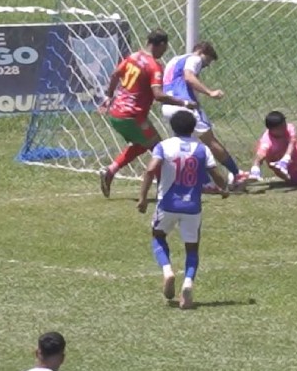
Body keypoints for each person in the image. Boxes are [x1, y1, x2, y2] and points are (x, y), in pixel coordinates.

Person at [137, 109, 230, 309]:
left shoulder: (164, 146)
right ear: (193, 128)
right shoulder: (202, 149)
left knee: (158, 235)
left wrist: (143, 198)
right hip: (192, 207)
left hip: (168, 204)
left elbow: (151, 169)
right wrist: (223, 189)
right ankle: (187, 283)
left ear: (172, 127)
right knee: (192, 248)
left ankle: (168, 271)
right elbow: (216, 174)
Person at [99, 29, 195, 198]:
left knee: (142, 144)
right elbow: (158, 95)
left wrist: (108, 96)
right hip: (133, 116)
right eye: (165, 48)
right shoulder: (154, 66)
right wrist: (184, 103)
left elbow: (115, 74)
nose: (164, 52)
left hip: (116, 114)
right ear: (162, 44)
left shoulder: (133, 57)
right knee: (159, 149)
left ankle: (110, 171)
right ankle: (165, 191)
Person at [162, 40, 247, 189]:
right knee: (210, 141)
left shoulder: (174, 60)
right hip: (186, 106)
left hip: (169, 106)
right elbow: (188, 76)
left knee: (186, 144)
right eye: (207, 61)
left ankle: (201, 182)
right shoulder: (194, 58)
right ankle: (237, 174)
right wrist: (210, 92)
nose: (205, 65)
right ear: (201, 52)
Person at [248, 110, 297, 187]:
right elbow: (259, 156)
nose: (285, 128)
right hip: (278, 163)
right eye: (281, 127)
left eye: (284, 124)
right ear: (272, 130)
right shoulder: (266, 142)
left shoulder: (289, 127)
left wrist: (285, 159)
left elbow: (292, 143)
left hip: (296, 149)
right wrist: (255, 170)